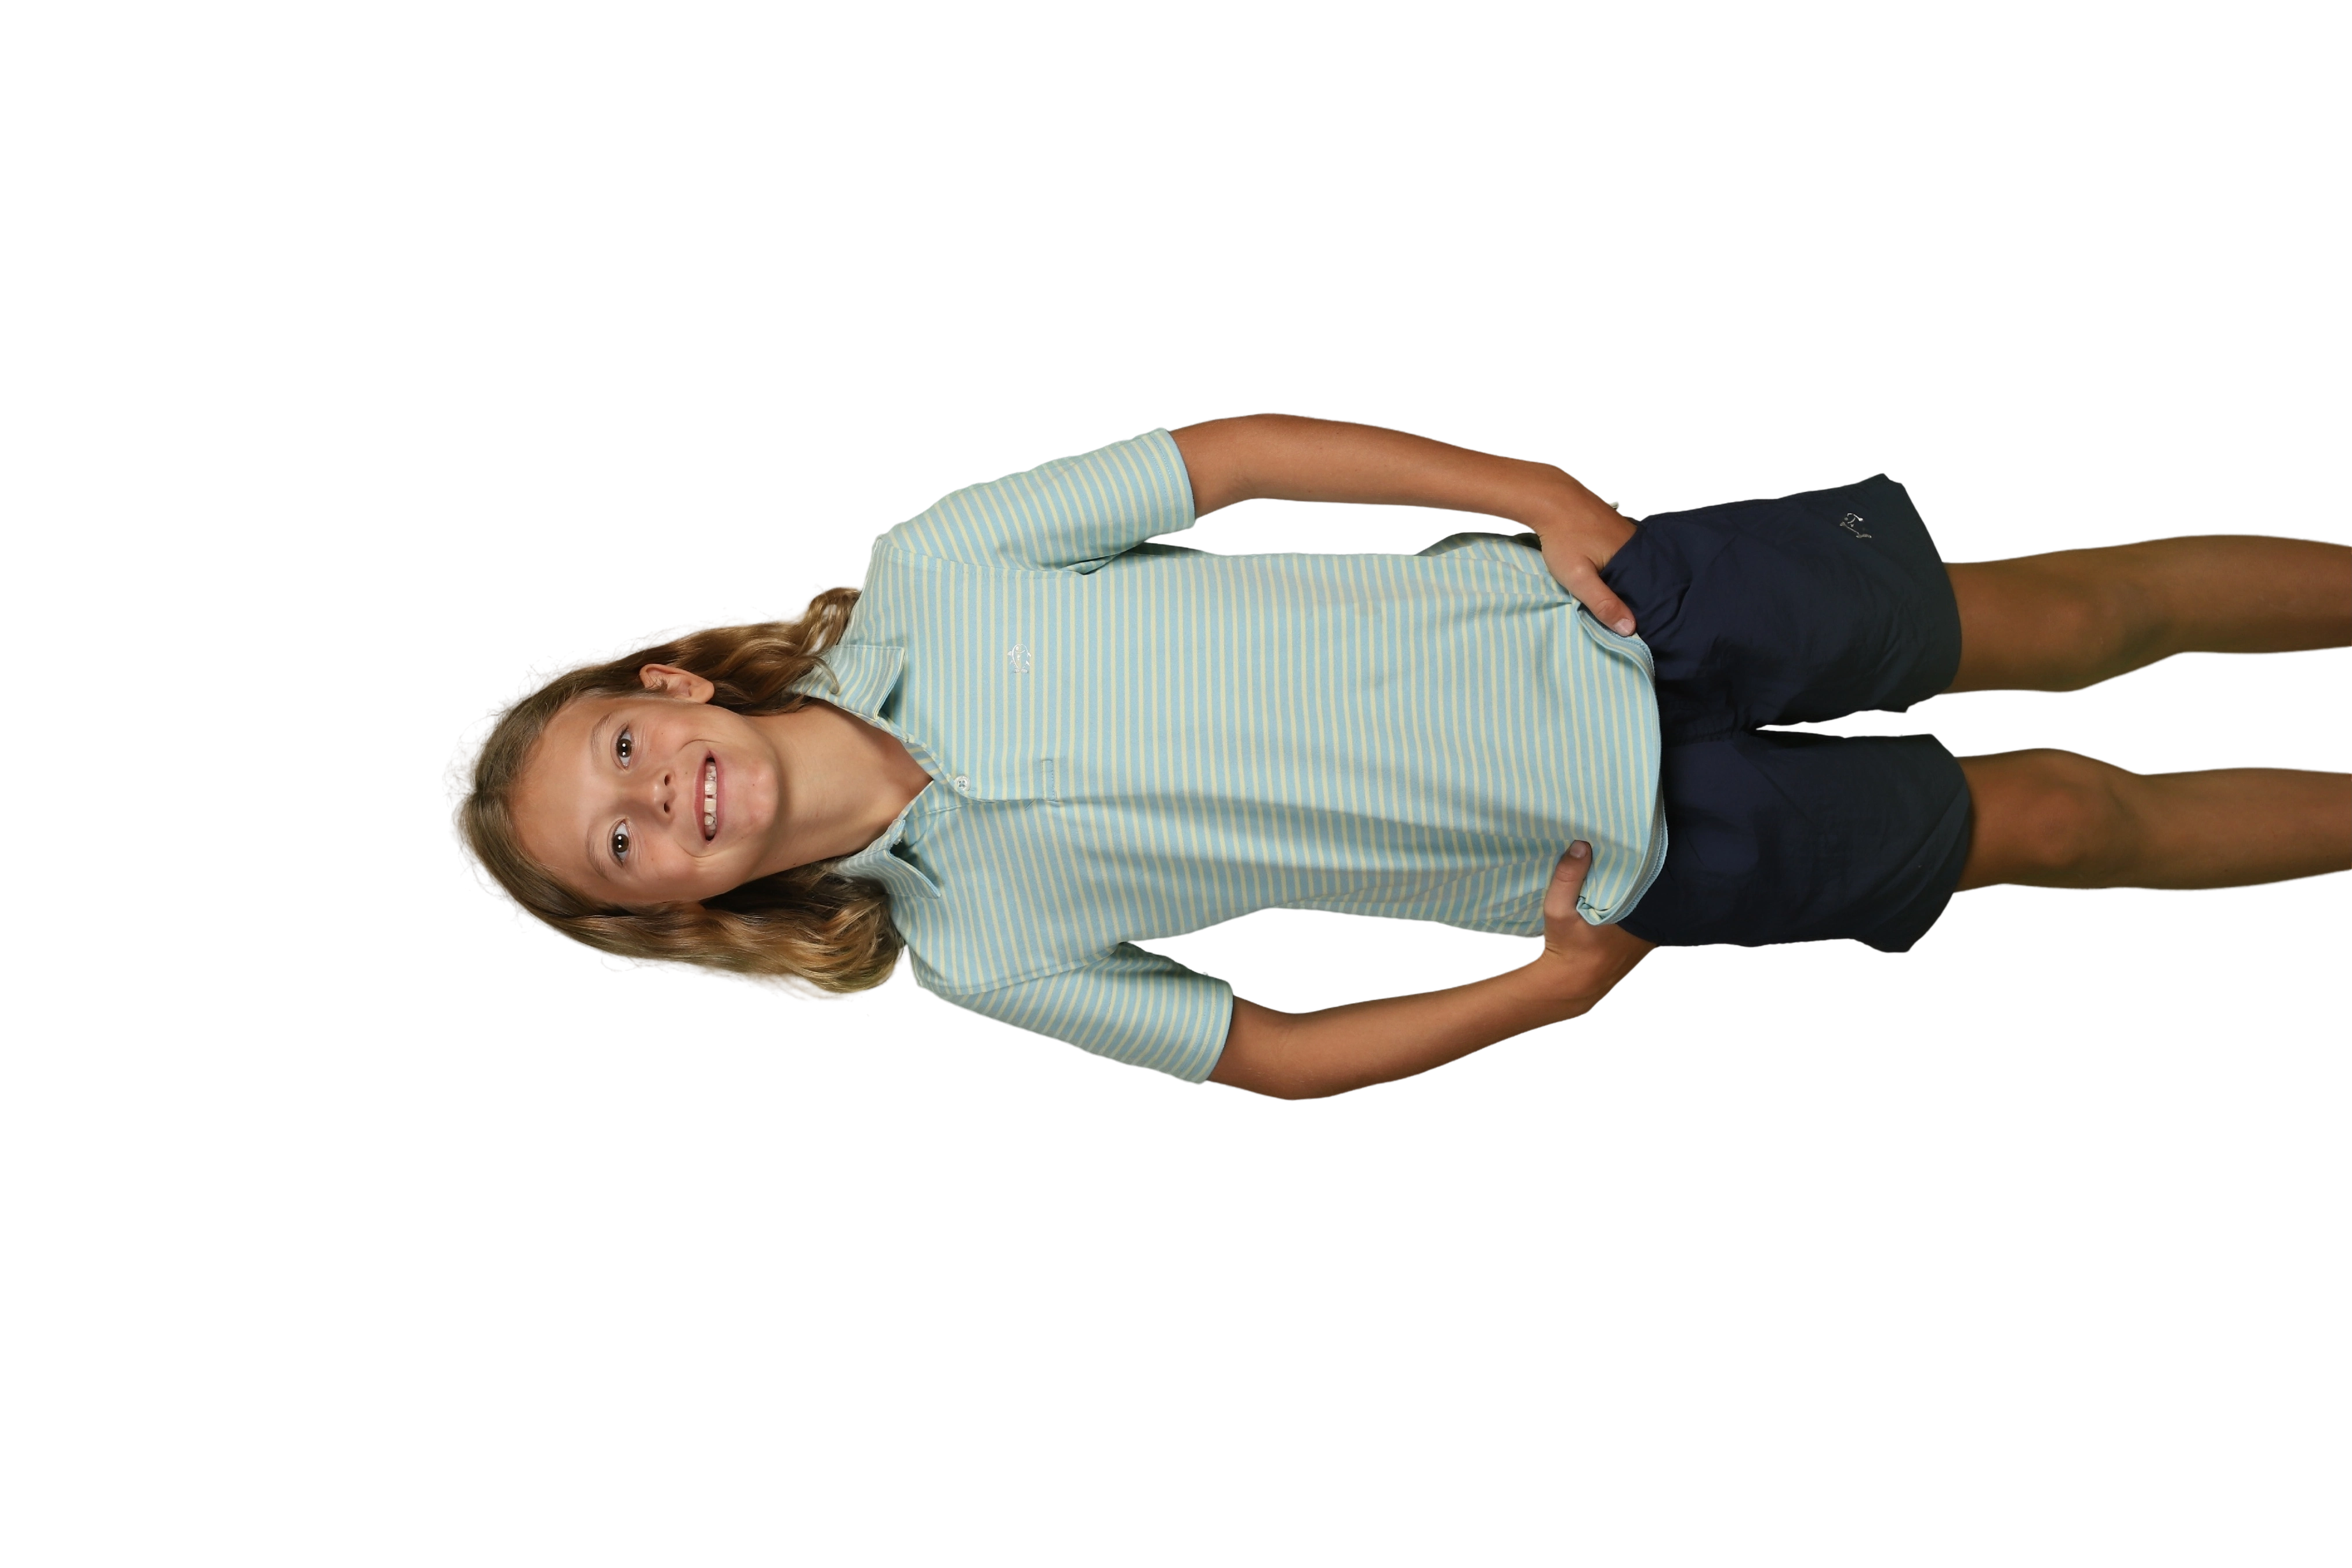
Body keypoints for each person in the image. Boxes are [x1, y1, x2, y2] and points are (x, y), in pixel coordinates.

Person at [444, 411, 2352, 1101]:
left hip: (1614, 612)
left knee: (2071, 620)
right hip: (1637, 848)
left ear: (671, 685)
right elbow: (1270, 1058)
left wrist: (1532, 496)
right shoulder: (975, 950)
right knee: (2070, 819)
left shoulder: (941, 565)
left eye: (623, 749)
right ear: (673, 907)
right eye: (621, 845)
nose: (653, 798)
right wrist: (1554, 986)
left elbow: (1230, 461)